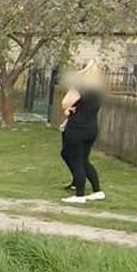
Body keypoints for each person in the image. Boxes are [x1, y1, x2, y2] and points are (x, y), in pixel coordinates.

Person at [59, 61, 106, 204]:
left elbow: (65, 102)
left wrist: (69, 109)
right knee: (84, 160)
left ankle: (79, 195)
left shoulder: (80, 88)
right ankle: (97, 191)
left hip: (77, 128)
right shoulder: (98, 91)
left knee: (76, 160)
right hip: (91, 128)